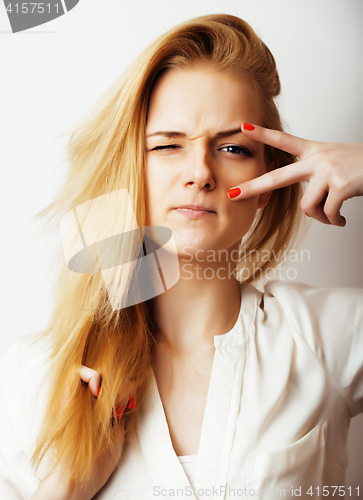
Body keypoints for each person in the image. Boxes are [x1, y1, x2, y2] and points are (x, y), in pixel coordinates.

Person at [0, 13, 362, 500]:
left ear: (267, 181)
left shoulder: (329, 335)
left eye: (233, 147)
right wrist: (65, 488)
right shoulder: (33, 380)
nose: (200, 172)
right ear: (130, 168)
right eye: (168, 146)